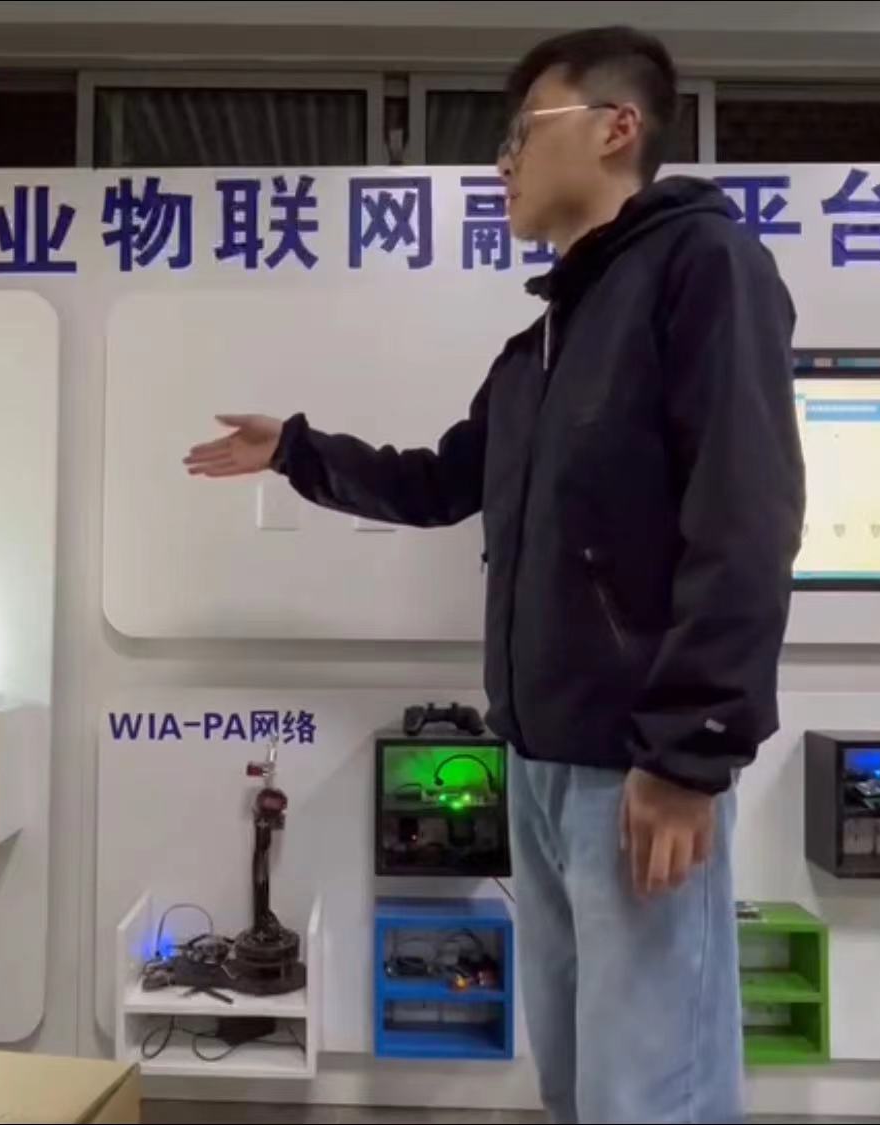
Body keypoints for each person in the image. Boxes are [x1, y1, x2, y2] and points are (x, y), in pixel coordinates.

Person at [181, 25, 802, 1125]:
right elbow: (440, 481)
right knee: (577, 1078)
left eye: (522, 132)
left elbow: (746, 514)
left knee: (651, 1086)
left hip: (638, 763)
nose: (501, 160)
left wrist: (692, 751)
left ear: (616, 128)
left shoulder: (705, 268)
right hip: (541, 758)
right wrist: (297, 453)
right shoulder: (541, 346)